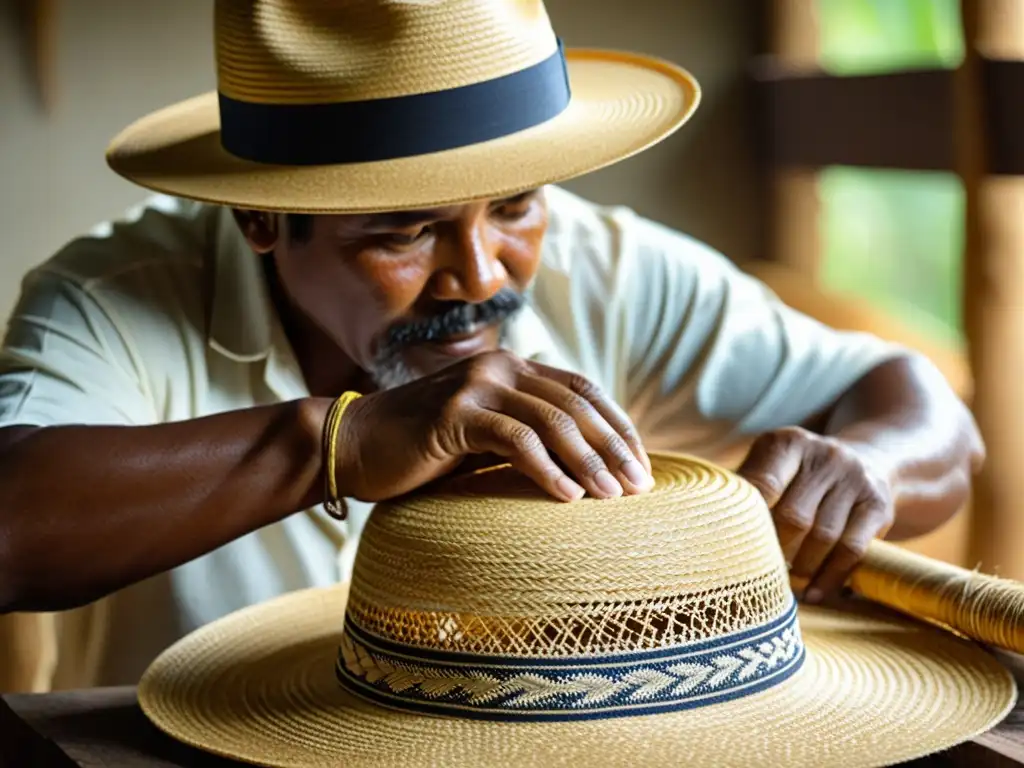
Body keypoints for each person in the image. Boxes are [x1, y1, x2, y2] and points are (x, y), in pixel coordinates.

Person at [0, 0, 980, 691]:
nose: (481, 275)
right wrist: (345, 442)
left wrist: (865, 468)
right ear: (264, 218)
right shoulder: (113, 301)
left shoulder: (606, 263)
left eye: (514, 206)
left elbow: (920, 409)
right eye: (405, 230)